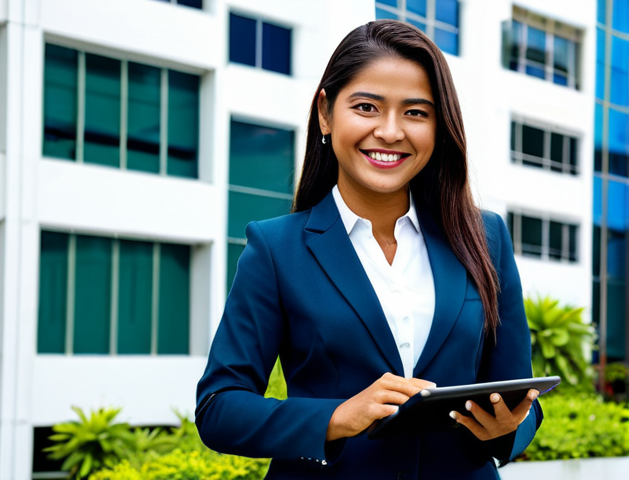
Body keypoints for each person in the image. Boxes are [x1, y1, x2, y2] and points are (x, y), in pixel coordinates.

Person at [196, 19, 542, 479]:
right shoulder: (276, 248)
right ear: (326, 112)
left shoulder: (486, 237)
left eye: (416, 113)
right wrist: (336, 418)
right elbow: (219, 407)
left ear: (439, 126)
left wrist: (505, 429)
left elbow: (520, 398)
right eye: (366, 107)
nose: (391, 131)